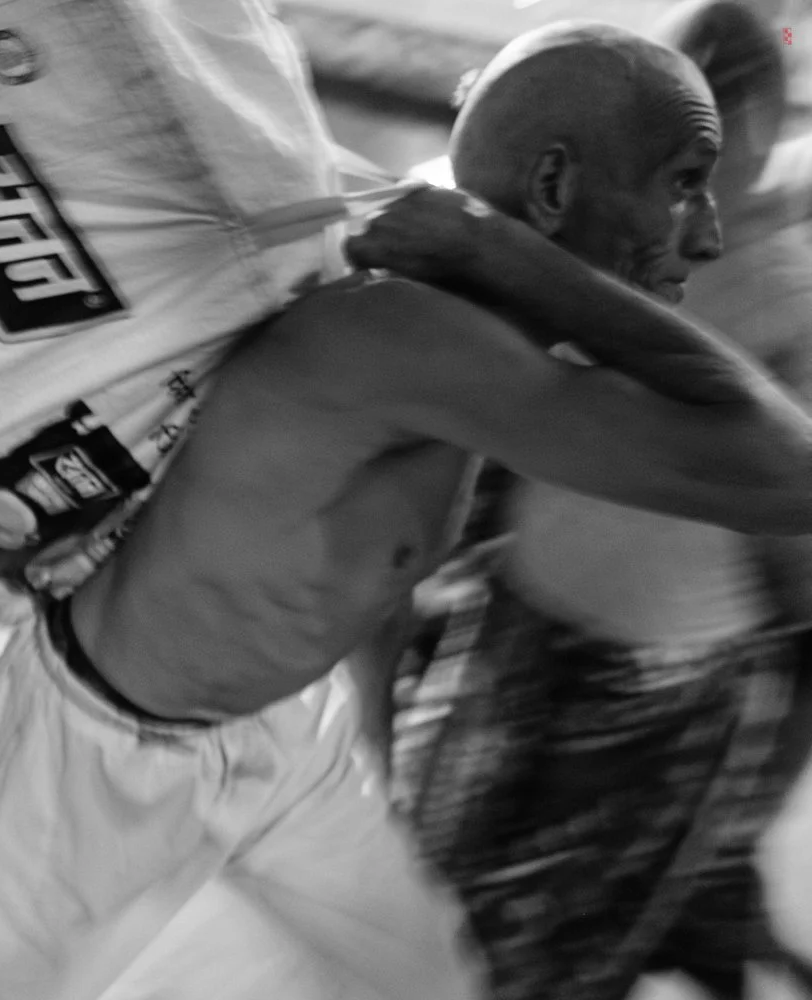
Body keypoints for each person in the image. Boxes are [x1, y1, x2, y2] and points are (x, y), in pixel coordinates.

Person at [0, 6, 812, 999]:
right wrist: (513, 256)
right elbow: (785, 474)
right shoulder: (410, 334)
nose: (712, 229)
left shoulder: (460, 309)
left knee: (431, 983)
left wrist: (374, 744)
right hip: (100, 755)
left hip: (285, 737)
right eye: (685, 186)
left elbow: (380, 571)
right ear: (553, 184)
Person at [396, 5, 812, 999]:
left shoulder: (785, 295)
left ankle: (708, 907)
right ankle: (709, 912)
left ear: (759, 121)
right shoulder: (594, 220)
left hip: (662, 684)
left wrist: (756, 786)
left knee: (549, 946)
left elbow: (801, 583)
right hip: (515, 625)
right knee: (435, 891)